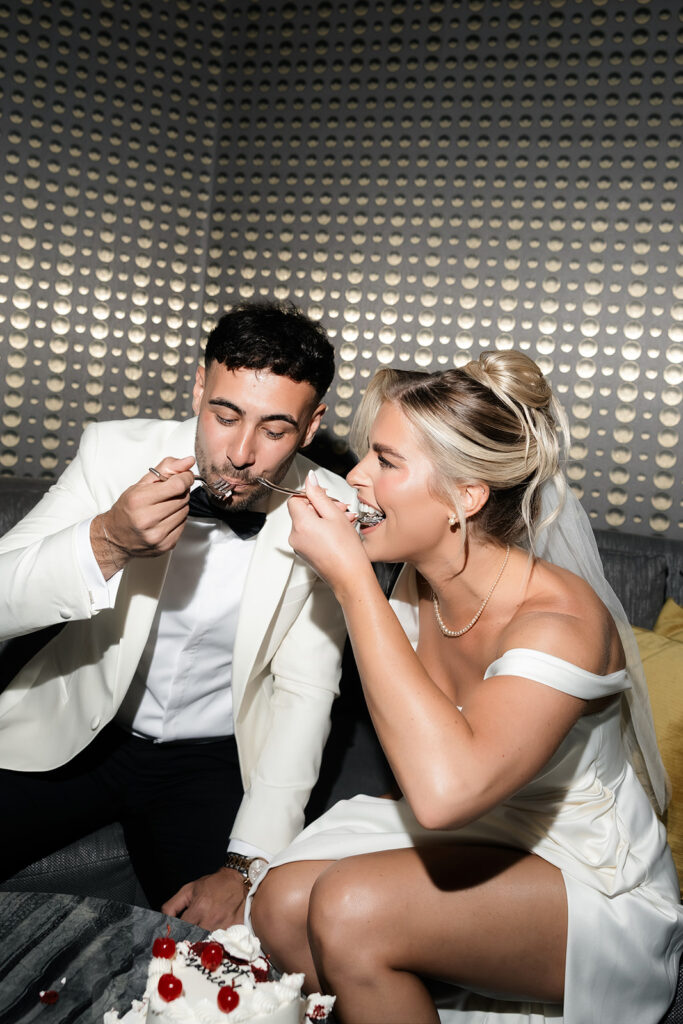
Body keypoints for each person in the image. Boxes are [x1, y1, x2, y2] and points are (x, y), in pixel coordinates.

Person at [249, 351, 683, 1024]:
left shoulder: (556, 623)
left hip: (586, 875)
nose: (355, 477)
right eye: (367, 455)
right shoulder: (413, 580)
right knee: (277, 903)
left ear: (465, 496)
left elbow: (445, 794)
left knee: (350, 906)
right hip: (483, 834)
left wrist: (352, 583)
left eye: (386, 462)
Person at [0, 300, 354, 927]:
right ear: (198, 387)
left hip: (211, 761)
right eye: (225, 415)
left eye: (274, 430)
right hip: (80, 730)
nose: (241, 453)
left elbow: (306, 691)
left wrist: (249, 864)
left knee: (241, 951)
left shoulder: (329, 509)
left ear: (310, 425)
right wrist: (107, 538)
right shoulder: (111, 452)